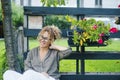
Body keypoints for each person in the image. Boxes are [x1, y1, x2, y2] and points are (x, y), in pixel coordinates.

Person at [3, 25, 72, 80]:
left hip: (49, 78)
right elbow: (27, 68)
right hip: (34, 77)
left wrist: (54, 46)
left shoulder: (55, 53)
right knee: (8, 73)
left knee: (30, 74)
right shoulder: (32, 52)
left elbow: (68, 51)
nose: (42, 40)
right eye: (41, 36)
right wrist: (39, 74)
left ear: (51, 40)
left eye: (46, 38)